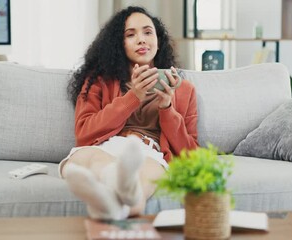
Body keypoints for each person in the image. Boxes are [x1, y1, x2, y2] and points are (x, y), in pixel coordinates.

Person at [59, 6, 198, 220]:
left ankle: (113, 198)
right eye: (130, 35)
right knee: (84, 158)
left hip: (149, 154)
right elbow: (84, 134)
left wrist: (167, 108)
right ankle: (112, 183)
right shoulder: (98, 81)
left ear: (158, 40)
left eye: (147, 32)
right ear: (119, 44)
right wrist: (133, 96)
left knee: (140, 185)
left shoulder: (183, 89)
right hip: (106, 148)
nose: (141, 39)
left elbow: (191, 155)